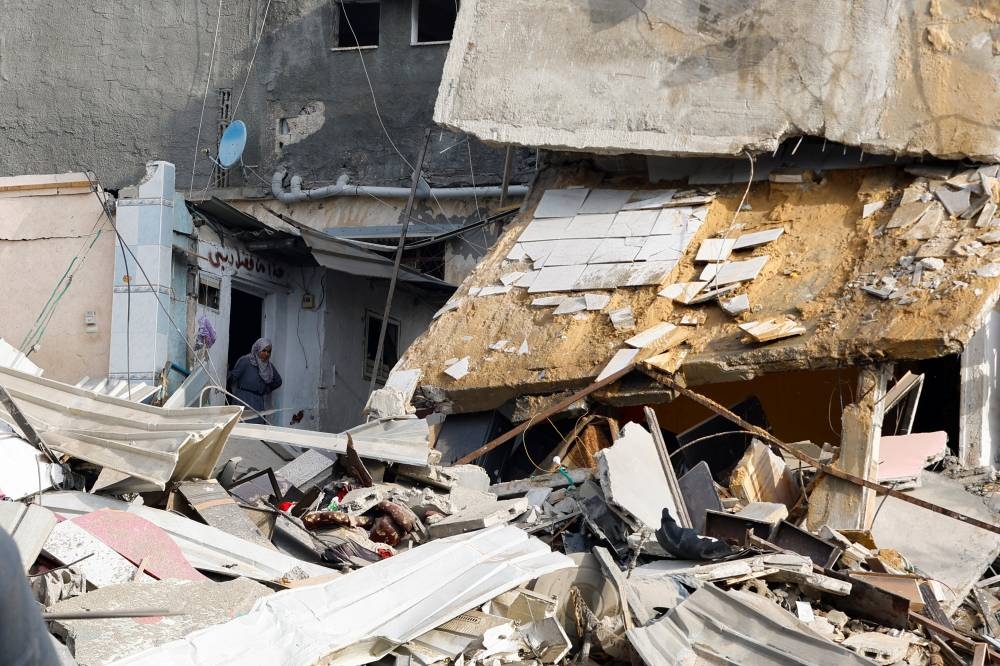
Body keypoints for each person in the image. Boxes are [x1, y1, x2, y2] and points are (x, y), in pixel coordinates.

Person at [227, 337, 282, 422]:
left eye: (269, 352)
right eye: (264, 350)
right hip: (243, 400)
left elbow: (278, 381)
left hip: (258, 402)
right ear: (257, 349)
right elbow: (233, 377)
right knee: (242, 427)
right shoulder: (245, 361)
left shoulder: (268, 366)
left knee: (256, 428)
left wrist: (266, 389)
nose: (266, 354)